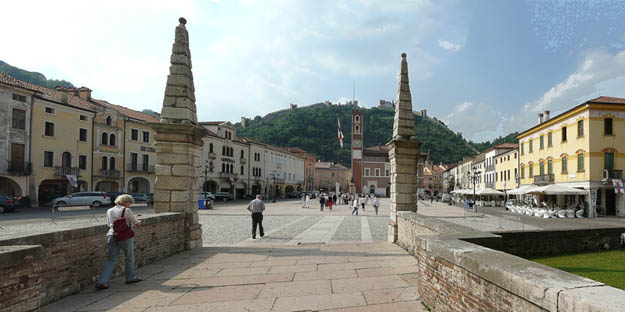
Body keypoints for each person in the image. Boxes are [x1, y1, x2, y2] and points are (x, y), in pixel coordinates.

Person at [96, 194, 142, 290]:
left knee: (111, 259)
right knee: (129, 257)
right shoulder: (127, 210)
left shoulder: (109, 210)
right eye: (129, 202)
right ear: (126, 202)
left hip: (112, 235)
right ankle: (130, 277)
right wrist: (140, 221)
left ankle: (102, 281)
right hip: (125, 236)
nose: (130, 205)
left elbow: (109, 224)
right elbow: (136, 223)